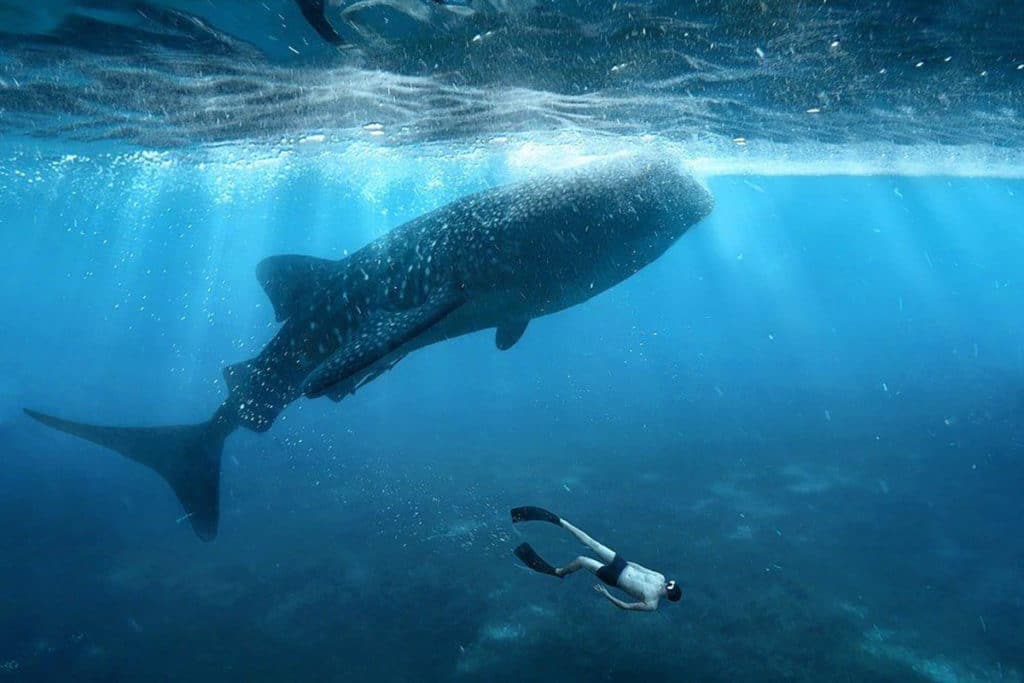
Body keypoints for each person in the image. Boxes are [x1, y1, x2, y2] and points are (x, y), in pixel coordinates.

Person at [511, 506, 682, 611]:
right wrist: (624, 563)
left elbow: (627, 606)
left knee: (582, 560)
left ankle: (560, 572)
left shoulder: (652, 604)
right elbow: (640, 568)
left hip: (614, 578)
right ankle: (562, 522)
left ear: (668, 595)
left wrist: (607, 595)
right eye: (670, 583)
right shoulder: (660, 577)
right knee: (593, 543)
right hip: (622, 565)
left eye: (668, 587)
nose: (666, 584)